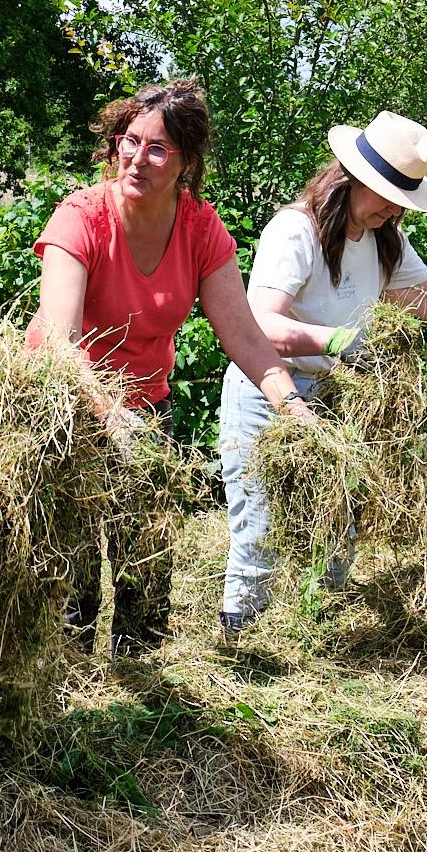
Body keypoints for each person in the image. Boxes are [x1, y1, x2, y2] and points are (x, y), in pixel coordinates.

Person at [218, 110, 427, 635]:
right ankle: (240, 643)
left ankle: (319, 637)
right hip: (268, 391)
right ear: (350, 178)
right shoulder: (296, 231)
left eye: (402, 200)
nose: (395, 209)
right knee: (258, 526)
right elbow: (259, 324)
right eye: (386, 195)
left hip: (334, 395)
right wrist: (333, 340)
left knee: (338, 525)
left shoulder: (383, 237)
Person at [28, 77, 309, 641]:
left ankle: (142, 685)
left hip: (146, 406)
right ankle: (71, 692)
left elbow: (247, 338)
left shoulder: (200, 229)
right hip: (63, 407)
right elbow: (60, 342)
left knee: (147, 565)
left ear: (186, 163)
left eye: (157, 148)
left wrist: (293, 406)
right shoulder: (81, 218)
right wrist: (108, 415)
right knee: (71, 575)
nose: (136, 158)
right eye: (128, 141)